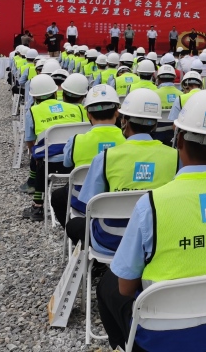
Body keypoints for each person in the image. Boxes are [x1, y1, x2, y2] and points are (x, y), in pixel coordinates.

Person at [97, 90, 206, 352]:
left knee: (108, 284)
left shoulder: (151, 205)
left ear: (178, 139)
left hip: (159, 342)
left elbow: (126, 287)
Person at [65, 89, 180, 249]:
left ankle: (97, 262)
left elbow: (89, 203)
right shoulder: (176, 157)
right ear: (155, 123)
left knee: (73, 225)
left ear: (124, 121)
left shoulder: (105, 157)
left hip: (111, 238)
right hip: (159, 237)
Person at [51, 84, 126, 227]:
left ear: (88, 114)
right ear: (117, 112)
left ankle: (74, 230)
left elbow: (67, 164)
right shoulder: (127, 141)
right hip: (117, 202)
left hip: (82, 201)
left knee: (57, 196)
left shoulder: (75, 141)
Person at [22, 74, 88, 220]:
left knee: (39, 158)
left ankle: (37, 206)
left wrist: (35, 154)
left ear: (34, 97)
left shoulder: (32, 112)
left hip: (50, 165)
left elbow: (29, 140)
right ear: (55, 92)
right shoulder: (77, 109)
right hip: (76, 163)